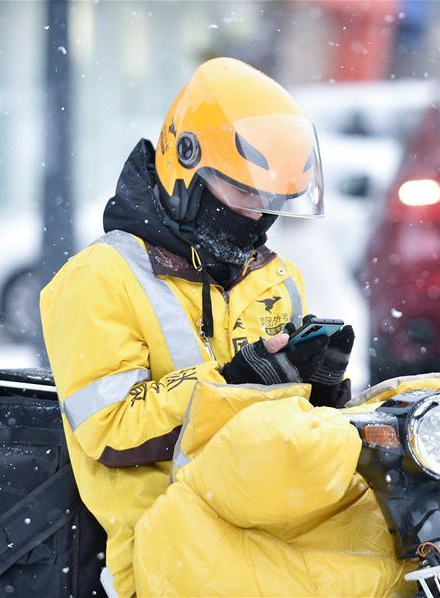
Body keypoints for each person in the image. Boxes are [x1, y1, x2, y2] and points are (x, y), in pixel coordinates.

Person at [40, 57, 354, 597]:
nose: (258, 217)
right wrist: (236, 384)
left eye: (273, 201)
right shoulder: (99, 279)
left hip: (281, 534)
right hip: (171, 554)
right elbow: (111, 432)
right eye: (244, 192)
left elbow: (288, 431)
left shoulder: (276, 275)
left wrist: (318, 391)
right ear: (185, 169)